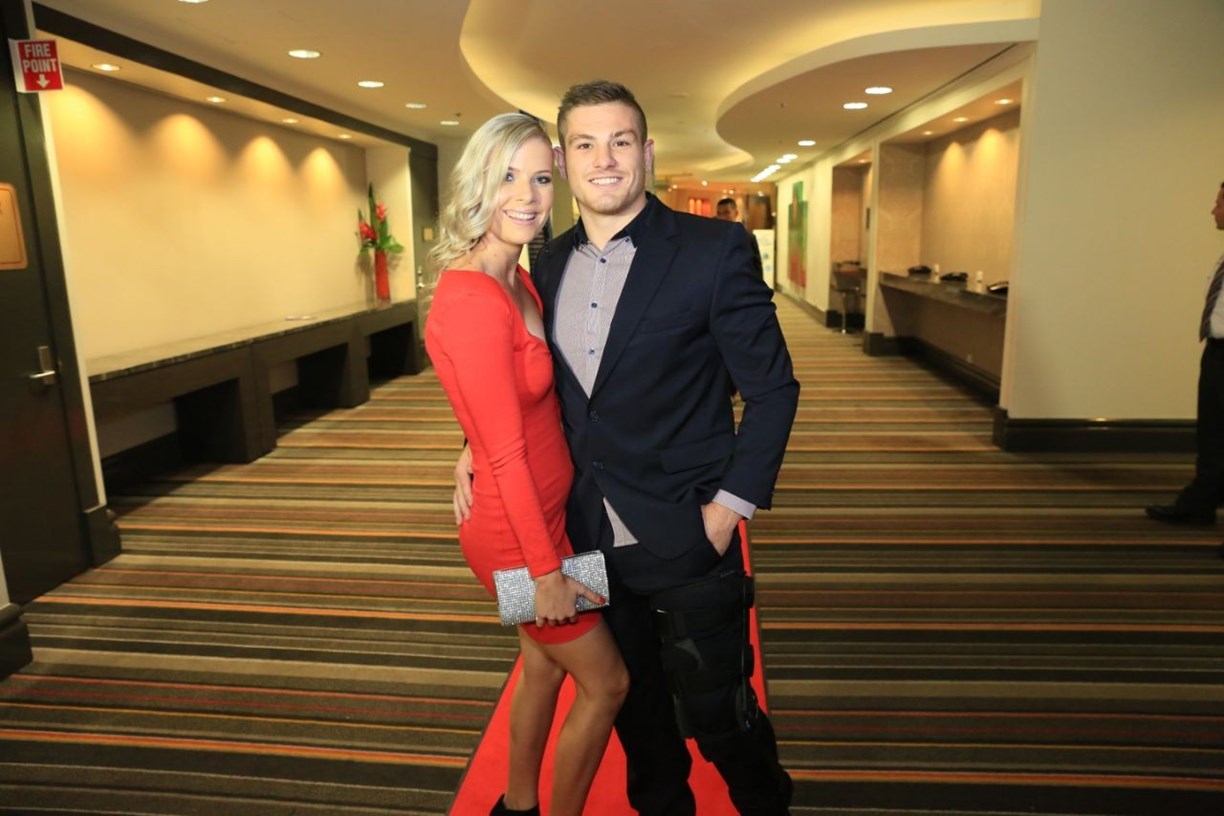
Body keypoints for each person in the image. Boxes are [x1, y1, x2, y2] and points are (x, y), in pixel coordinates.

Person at [457, 82, 799, 816]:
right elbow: (511, 376)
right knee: (635, 722)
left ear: (647, 151)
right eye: (585, 144)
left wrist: (726, 512)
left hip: (685, 527)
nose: (604, 159)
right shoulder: (541, 265)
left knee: (722, 719)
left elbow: (774, 390)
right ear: (564, 160)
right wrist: (469, 445)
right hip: (576, 535)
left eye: (620, 142)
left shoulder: (713, 250)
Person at [423, 112, 628, 816]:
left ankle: (516, 805)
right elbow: (506, 450)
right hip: (517, 538)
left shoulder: (515, 275)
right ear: (477, 182)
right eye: (507, 175)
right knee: (607, 684)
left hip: (547, 516)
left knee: (541, 665)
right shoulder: (474, 297)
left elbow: (502, 404)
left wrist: (467, 446)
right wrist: (544, 572)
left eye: (541, 178)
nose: (527, 196)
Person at [1146, 181, 1224, 527]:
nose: (1213, 210)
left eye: (1218, 203)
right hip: (1216, 351)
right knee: (1212, 432)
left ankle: (1199, 501)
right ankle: (1200, 503)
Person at [716, 197, 764, 278]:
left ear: (736, 213)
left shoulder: (748, 238)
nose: (722, 217)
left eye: (726, 212)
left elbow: (756, 268)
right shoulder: (714, 238)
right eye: (719, 214)